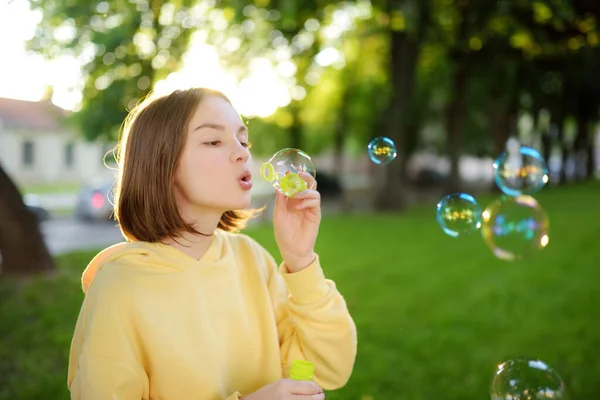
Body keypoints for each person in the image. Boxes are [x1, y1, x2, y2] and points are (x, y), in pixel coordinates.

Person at [67, 87, 358, 400]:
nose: (243, 152)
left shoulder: (252, 260)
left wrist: (300, 258)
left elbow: (325, 369)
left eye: (243, 140)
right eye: (213, 141)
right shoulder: (119, 288)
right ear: (162, 165)